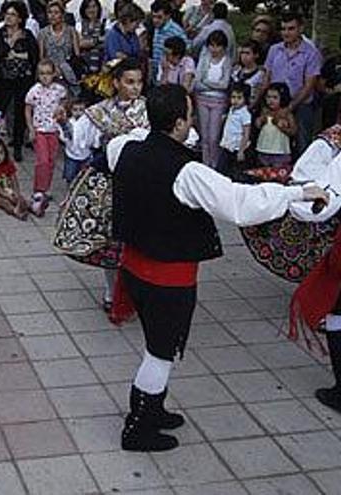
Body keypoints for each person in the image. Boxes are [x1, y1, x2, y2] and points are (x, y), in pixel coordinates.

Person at [109, 83, 327, 452]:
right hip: (167, 277)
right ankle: (138, 428)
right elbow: (239, 203)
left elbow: (129, 140)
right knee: (160, 352)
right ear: (179, 122)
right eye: (190, 114)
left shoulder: (124, 149)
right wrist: (296, 193)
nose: (193, 120)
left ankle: (153, 409)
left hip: (134, 267)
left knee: (157, 346)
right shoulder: (188, 172)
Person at [55, 58, 148, 312]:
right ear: (116, 82)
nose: (135, 87)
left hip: (142, 183)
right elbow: (78, 142)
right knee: (111, 241)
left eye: (139, 82)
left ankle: (137, 291)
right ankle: (110, 292)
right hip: (109, 184)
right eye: (130, 82)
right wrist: (64, 122)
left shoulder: (150, 110)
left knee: (140, 241)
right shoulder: (99, 112)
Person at [264, 10, 322, 157]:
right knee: (271, 140)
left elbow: (309, 85)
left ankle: (302, 175)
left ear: (300, 28)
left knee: (302, 141)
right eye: (283, 29)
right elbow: (267, 78)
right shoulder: (274, 50)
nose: (286, 32)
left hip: (301, 103)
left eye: (291, 28)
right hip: (275, 102)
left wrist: (289, 108)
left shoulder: (311, 53)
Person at [0, 1, 38, 162]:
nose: (9, 17)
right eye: (7, 14)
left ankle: (18, 146)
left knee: (20, 113)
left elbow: (34, 57)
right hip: (4, 79)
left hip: (23, 80)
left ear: (20, 18)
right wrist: (12, 41)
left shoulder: (28, 34)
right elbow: (1, 52)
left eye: (13, 15)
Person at [25, 59, 66, 216]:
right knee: (42, 160)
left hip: (54, 130)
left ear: (54, 74)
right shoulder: (34, 91)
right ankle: (38, 190)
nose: (45, 77)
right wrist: (31, 129)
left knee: (50, 161)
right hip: (40, 130)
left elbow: (64, 102)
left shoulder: (59, 90)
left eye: (48, 73)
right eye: (42, 74)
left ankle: (45, 188)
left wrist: (62, 110)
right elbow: (28, 109)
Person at [193, 30, 231, 169]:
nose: (214, 49)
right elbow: (197, 82)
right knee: (204, 136)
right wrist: (214, 85)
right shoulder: (204, 59)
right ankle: (205, 164)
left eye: (217, 46)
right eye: (211, 45)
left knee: (214, 136)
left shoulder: (226, 61)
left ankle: (214, 165)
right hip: (202, 99)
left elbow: (224, 84)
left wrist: (207, 82)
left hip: (218, 101)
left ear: (223, 47)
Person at [39, 1, 80, 93]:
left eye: (56, 13)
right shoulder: (43, 33)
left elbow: (77, 54)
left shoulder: (71, 31)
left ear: (62, 14)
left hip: (68, 70)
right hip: (50, 72)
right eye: (50, 12)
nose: (52, 15)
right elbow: (42, 57)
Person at [0, 138, 29, 220]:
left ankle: (31, 207)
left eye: (1, 153)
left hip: (6, 188)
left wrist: (16, 193)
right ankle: (15, 212)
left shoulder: (8, 164)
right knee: (4, 202)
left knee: (19, 199)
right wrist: (6, 195)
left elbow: (14, 179)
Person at [255, 82, 296, 168]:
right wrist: (260, 120)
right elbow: (257, 126)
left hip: (280, 151)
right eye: (268, 97)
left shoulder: (287, 114)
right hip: (263, 149)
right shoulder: (265, 111)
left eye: (275, 97)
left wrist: (282, 128)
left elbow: (294, 131)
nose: (271, 100)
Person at [217, 82, 252, 176]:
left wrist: (241, 150)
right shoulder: (231, 109)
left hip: (236, 148)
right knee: (221, 170)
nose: (235, 100)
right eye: (233, 97)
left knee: (234, 173)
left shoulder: (245, 114)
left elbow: (246, 133)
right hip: (227, 145)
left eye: (239, 98)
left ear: (245, 99)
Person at [149, 0, 187, 84]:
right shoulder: (157, 28)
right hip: (157, 74)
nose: (155, 20)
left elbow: (185, 54)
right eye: (153, 17)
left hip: (170, 78)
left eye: (159, 17)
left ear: (168, 16)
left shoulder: (176, 32)